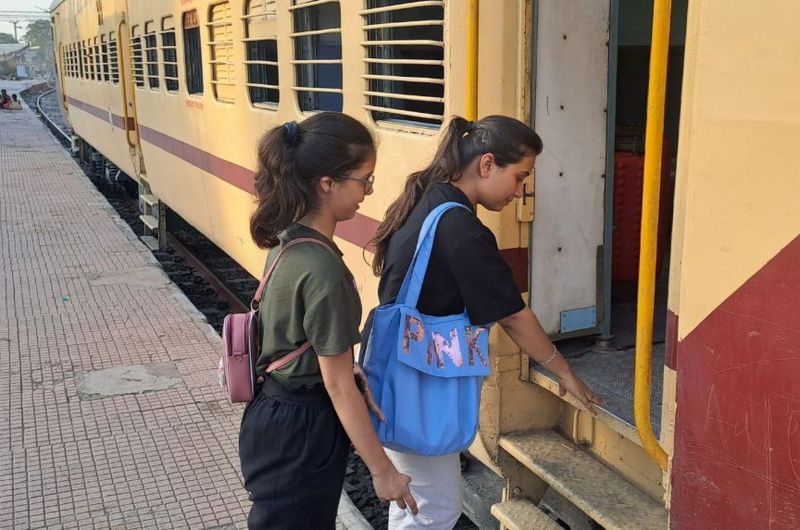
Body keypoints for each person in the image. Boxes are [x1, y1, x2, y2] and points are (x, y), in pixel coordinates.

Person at [365, 115, 603, 529]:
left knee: (414, 500)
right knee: (435, 509)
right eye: (519, 176)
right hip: (420, 385)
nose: (520, 191)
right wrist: (563, 371)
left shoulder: (428, 197)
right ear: (487, 164)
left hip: (399, 376)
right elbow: (512, 313)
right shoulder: (460, 226)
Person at [240, 112, 417, 530]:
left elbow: (306, 348)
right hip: (301, 431)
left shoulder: (290, 243)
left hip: (273, 413)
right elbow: (336, 385)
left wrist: (345, 369)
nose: (368, 192)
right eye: (364, 179)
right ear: (327, 183)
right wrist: (384, 472)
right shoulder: (325, 271)